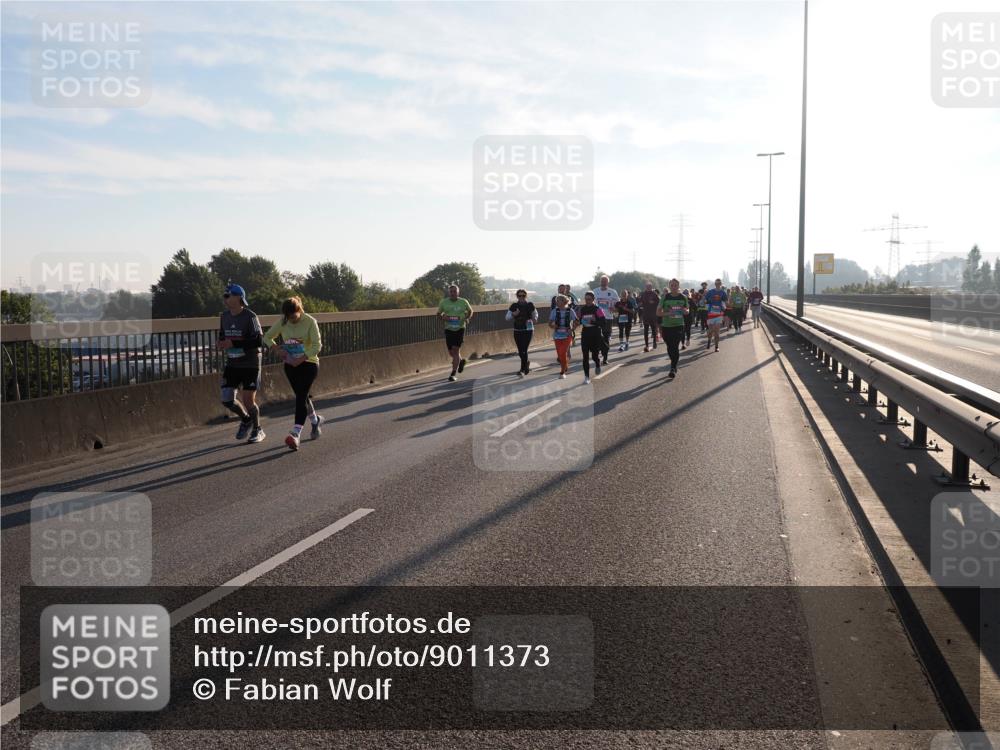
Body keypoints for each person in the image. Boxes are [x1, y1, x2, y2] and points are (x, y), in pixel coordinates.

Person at [263, 296, 323, 451]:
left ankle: (295, 434)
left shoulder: (310, 321)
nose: (291, 320)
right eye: (288, 317)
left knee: (301, 396)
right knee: (301, 397)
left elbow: (317, 346)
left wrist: (302, 358)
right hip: (290, 365)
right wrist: (278, 349)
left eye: (294, 316)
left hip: (309, 364)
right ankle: (315, 420)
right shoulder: (283, 321)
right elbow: (267, 337)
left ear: (299, 310)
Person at [217, 283, 265, 443]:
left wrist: (234, 344)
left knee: (248, 400)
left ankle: (258, 429)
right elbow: (223, 335)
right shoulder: (224, 316)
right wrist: (222, 343)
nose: (225, 299)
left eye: (227, 296)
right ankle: (246, 419)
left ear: (238, 297)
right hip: (233, 363)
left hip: (250, 363)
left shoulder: (250, 316)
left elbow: (258, 340)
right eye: (224, 296)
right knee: (226, 399)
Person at [438, 285, 473, 381]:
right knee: (451, 352)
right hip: (448, 329)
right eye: (451, 292)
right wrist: (442, 317)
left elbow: (470, 311)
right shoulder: (444, 302)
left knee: (456, 350)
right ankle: (461, 361)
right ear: (449, 293)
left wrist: (467, 318)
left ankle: (453, 373)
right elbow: (438, 314)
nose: (453, 293)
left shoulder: (463, 302)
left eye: (455, 291)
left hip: (460, 329)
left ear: (458, 292)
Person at [657, 279, 688, 378]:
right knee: (670, 347)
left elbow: (687, 310)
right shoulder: (665, 297)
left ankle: (673, 368)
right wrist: (668, 313)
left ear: (678, 286)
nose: (674, 287)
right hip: (666, 326)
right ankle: (673, 362)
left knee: (675, 346)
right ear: (669, 286)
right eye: (672, 285)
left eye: (675, 285)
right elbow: (658, 313)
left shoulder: (683, 297)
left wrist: (685, 311)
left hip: (678, 325)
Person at [575, 291, 606, 384]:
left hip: (595, 334)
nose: (587, 301)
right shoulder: (582, 309)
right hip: (585, 334)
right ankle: (586, 377)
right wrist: (577, 322)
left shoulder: (598, 309)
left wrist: (593, 322)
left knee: (594, 356)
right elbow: (579, 320)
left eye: (589, 299)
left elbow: (603, 322)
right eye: (586, 299)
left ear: (593, 299)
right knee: (585, 356)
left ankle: (597, 363)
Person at [506, 289, 538, 377]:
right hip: (517, 330)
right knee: (520, 351)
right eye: (519, 296)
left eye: (523, 295)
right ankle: (526, 363)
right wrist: (513, 314)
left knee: (524, 350)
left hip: (528, 330)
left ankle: (522, 370)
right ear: (517, 296)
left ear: (526, 296)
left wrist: (534, 318)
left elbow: (536, 314)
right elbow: (507, 317)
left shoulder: (530, 305)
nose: (521, 297)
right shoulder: (514, 306)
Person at [548, 294, 578, 379]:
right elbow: (549, 323)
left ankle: (562, 372)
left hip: (567, 335)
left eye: (559, 301)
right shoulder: (554, 311)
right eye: (556, 301)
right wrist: (554, 326)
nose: (557, 302)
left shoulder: (570, 311)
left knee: (563, 352)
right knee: (560, 354)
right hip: (557, 335)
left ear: (564, 301)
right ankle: (565, 366)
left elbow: (577, 322)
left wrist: (572, 329)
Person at [591, 275, 619, 365]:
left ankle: (605, 358)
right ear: (600, 282)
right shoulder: (595, 292)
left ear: (608, 282)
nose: (603, 282)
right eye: (602, 281)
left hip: (608, 318)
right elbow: (590, 305)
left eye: (605, 281)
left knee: (606, 338)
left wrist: (614, 309)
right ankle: (599, 352)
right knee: (598, 337)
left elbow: (618, 306)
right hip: (598, 319)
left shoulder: (613, 292)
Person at [703, 278, 728, 352]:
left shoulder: (723, 293)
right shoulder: (711, 292)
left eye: (719, 283)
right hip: (710, 314)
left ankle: (716, 346)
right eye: (716, 283)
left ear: (721, 284)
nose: (717, 285)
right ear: (715, 284)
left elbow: (726, 301)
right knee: (710, 331)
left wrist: (725, 305)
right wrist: (705, 302)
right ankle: (709, 340)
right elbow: (705, 299)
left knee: (717, 332)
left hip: (719, 314)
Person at [639, 282, 660, 352]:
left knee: (653, 329)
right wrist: (641, 304)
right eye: (647, 286)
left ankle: (654, 342)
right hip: (646, 314)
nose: (648, 287)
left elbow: (658, 302)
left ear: (651, 287)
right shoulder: (643, 294)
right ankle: (647, 345)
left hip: (653, 314)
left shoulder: (654, 294)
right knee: (645, 330)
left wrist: (653, 302)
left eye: (649, 286)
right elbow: (640, 302)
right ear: (645, 287)